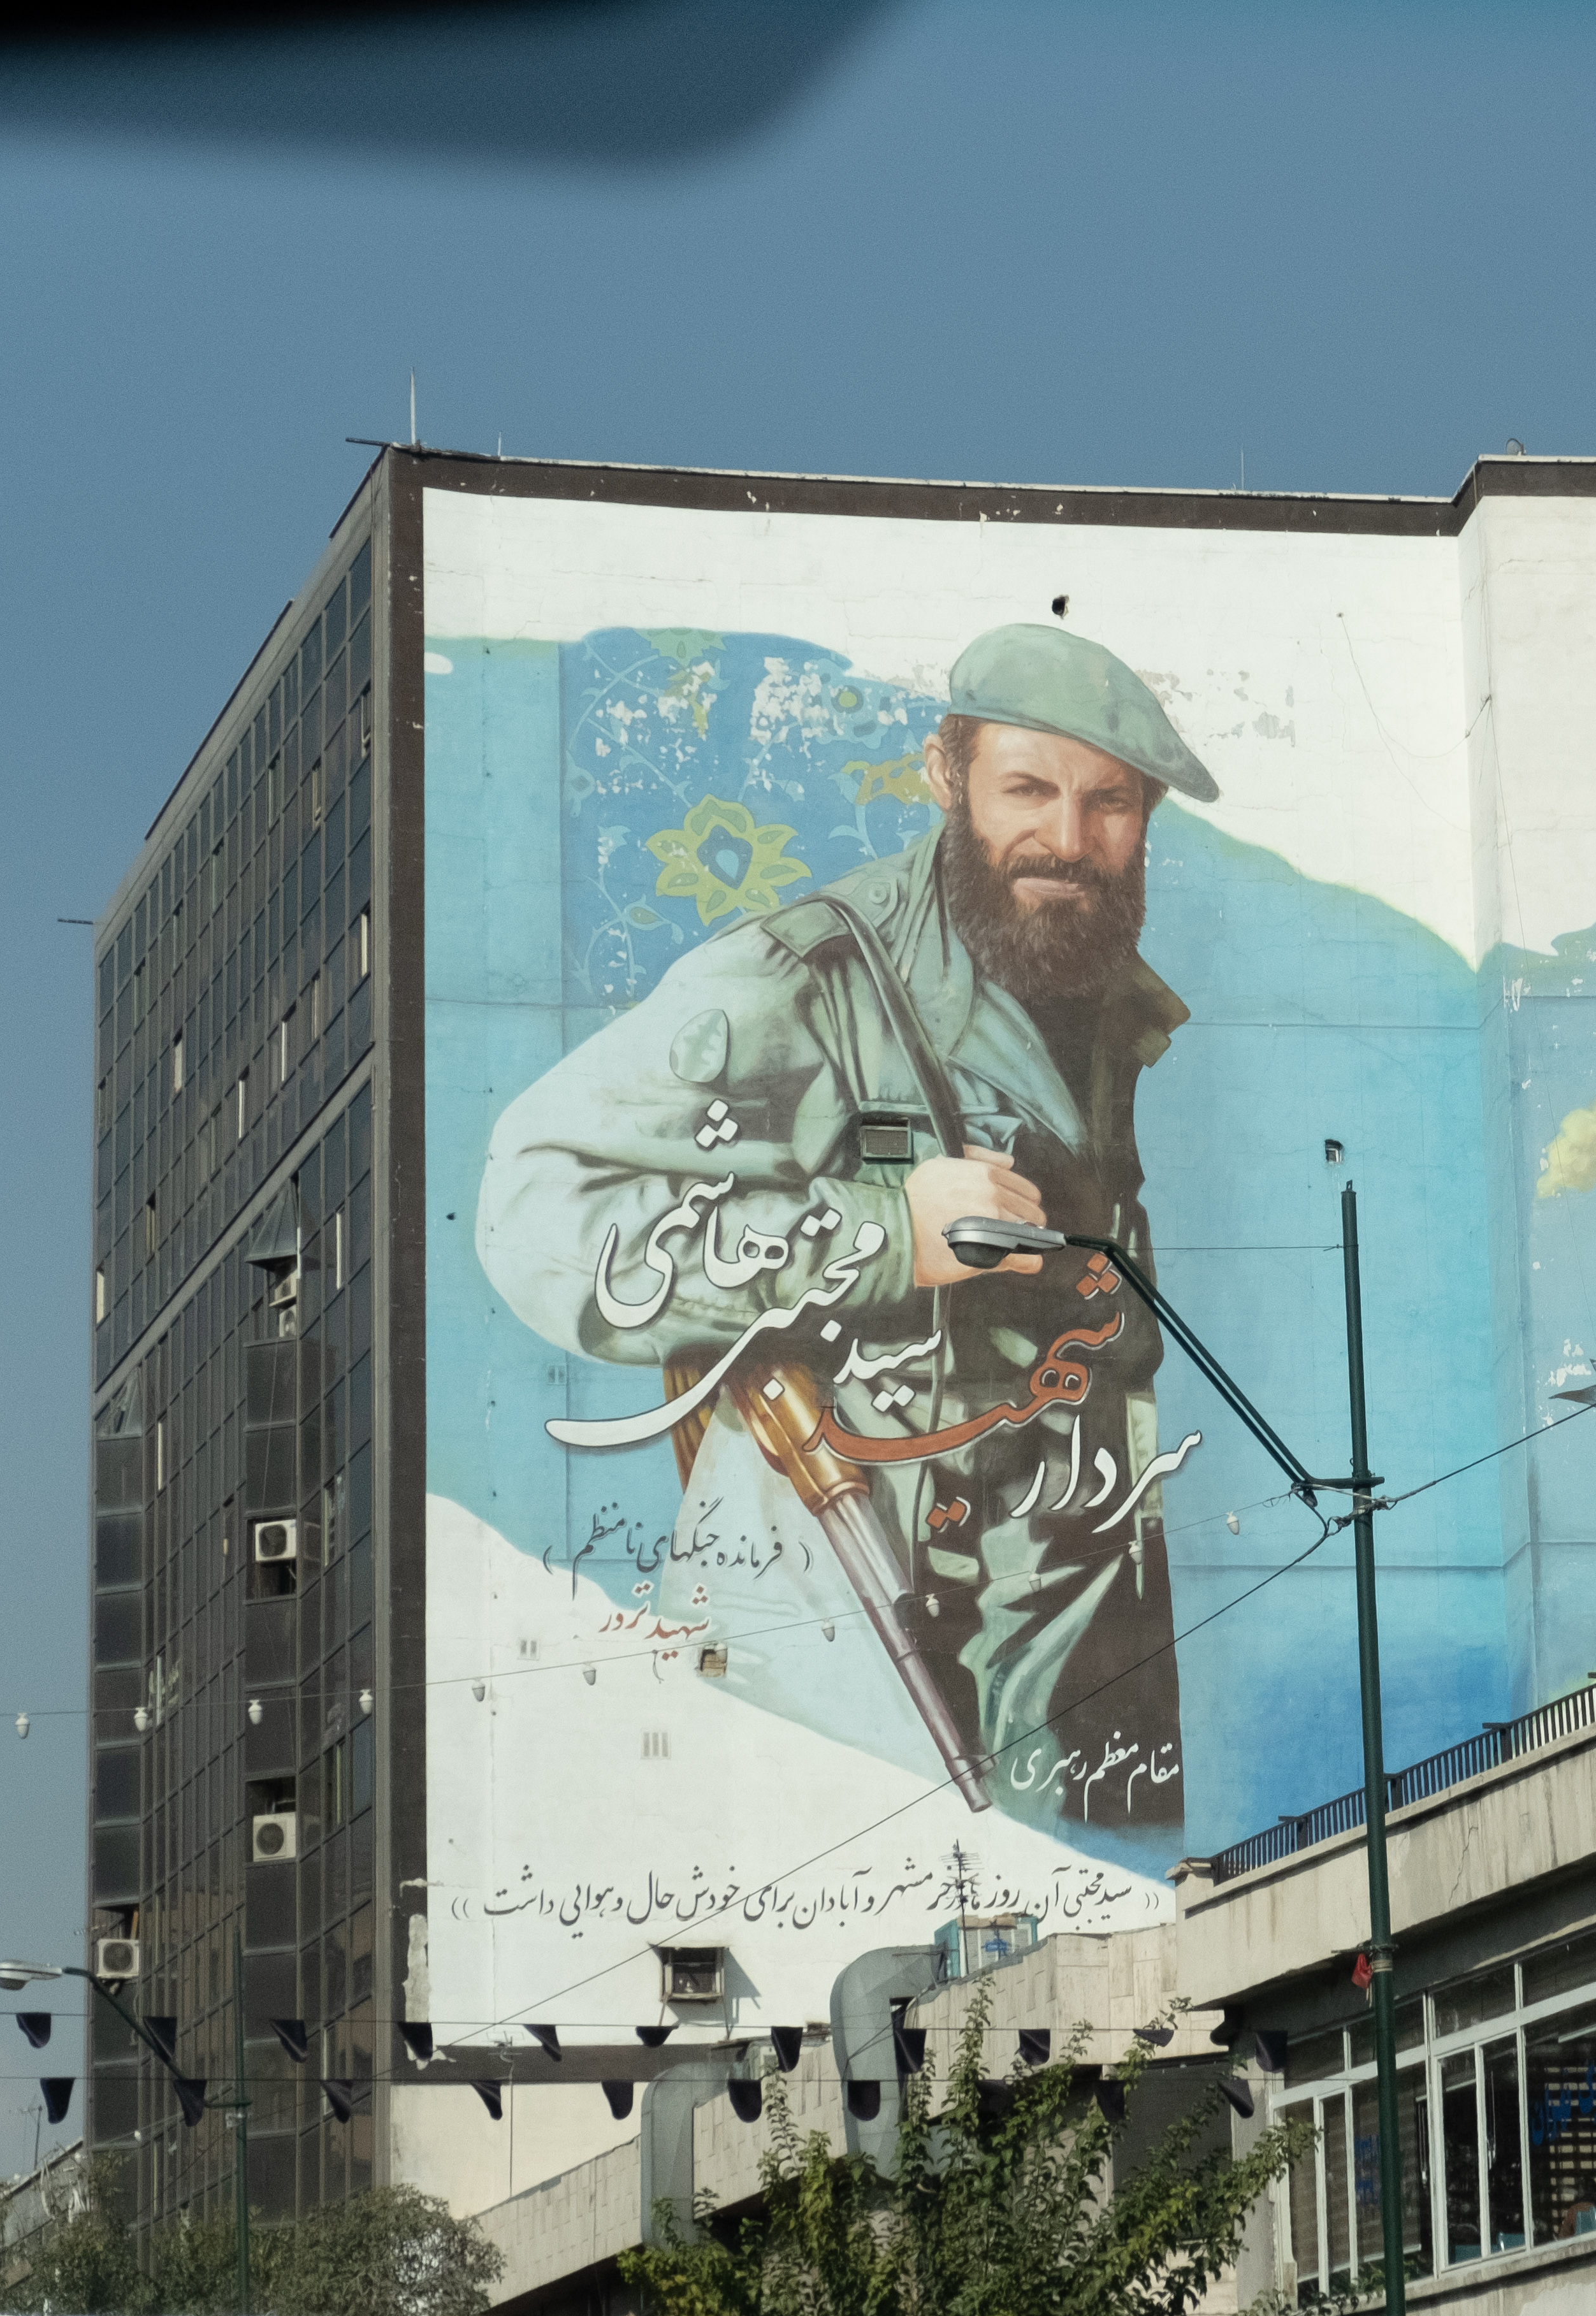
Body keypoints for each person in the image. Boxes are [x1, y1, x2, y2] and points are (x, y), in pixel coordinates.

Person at [478, 622, 1215, 1834]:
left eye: (1112, 805)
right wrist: (882, 1236)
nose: (1069, 842)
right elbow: (533, 1200)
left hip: (1065, 1637)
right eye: (1028, 789)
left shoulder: (1103, 994)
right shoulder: (808, 978)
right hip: (845, 1620)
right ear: (946, 774)